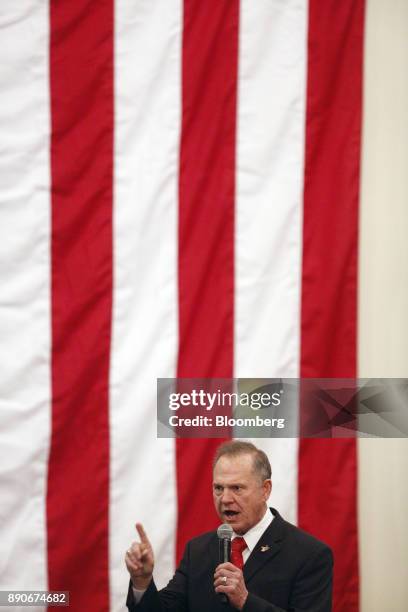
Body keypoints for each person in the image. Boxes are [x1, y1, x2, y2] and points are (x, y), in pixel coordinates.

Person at [125, 441, 333, 611]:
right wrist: (141, 581)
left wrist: (245, 600)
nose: (225, 498)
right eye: (218, 488)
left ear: (265, 490)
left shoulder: (309, 554)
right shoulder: (198, 550)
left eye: (237, 488)